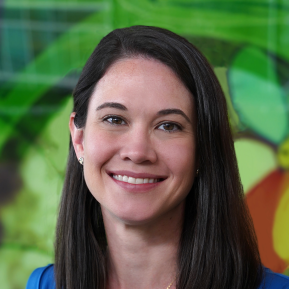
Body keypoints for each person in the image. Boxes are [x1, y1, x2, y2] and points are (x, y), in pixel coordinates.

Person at [26, 26, 289, 289]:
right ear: (79, 139)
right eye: (114, 119)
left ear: (203, 149)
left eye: (169, 125)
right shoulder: (44, 284)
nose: (138, 152)